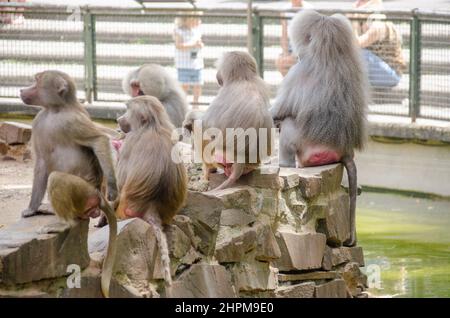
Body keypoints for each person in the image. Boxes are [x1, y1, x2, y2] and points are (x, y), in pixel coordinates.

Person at [352, 0, 406, 88]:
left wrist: (353, 18)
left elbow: (356, 45)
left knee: (361, 53)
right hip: (377, 70)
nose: (357, 3)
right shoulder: (362, 22)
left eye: (362, 2)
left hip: (391, 75)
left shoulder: (378, 23)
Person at [173, 12, 204, 109]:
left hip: (196, 63)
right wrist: (193, 45)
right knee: (184, 86)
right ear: (187, 20)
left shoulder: (197, 30)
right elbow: (179, 46)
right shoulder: (178, 31)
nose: (199, 21)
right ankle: (183, 104)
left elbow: (199, 42)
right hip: (184, 64)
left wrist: (200, 45)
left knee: (198, 84)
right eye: (196, 19)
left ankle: (196, 104)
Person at [275, 0, 312, 77]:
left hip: (304, 48)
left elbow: (310, 36)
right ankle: (289, 85)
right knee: (280, 62)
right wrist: (285, 53)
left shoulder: (309, 8)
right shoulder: (284, 9)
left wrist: (295, 54)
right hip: (290, 47)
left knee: (290, 62)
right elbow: (284, 33)